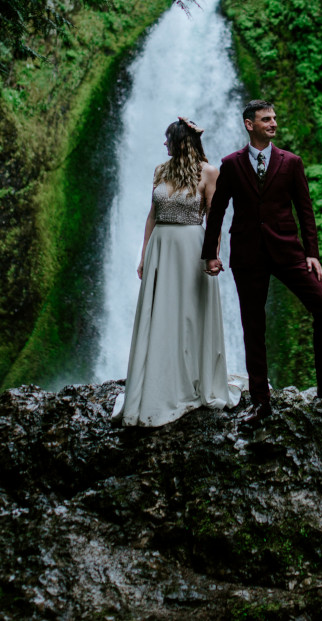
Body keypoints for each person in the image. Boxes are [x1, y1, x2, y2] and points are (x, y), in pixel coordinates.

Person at [202, 100, 322, 427]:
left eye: (274, 118)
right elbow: (216, 210)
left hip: (287, 250)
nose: (273, 124)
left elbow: (305, 210)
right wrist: (211, 254)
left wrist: (312, 253)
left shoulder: (291, 163)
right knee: (253, 326)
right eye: (266, 119)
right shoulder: (231, 164)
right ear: (249, 124)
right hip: (247, 254)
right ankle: (260, 402)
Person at [113, 117, 240, 426]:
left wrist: (212, 256)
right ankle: (157, 380)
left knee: (188, 315)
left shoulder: (209, 172)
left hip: (191, 249)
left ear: (181, 141)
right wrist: (144, 255)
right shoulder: (160, 170)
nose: (164, 144)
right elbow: (151, 215)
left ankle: (192, 381)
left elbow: (214, 218)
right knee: (161, 314)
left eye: (168, 139)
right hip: (161, 249)